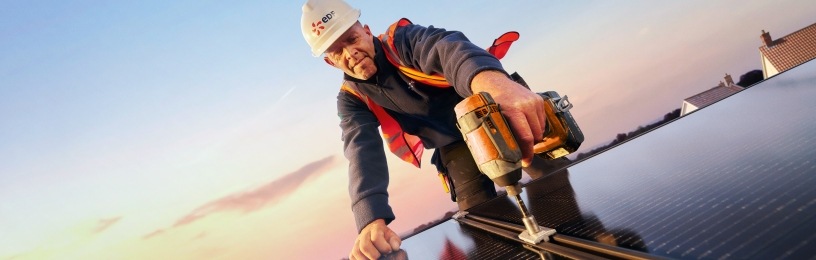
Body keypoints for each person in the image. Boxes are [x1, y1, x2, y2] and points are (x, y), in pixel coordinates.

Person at [300, 0, 549, 259]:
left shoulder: (402, 42)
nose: (350, 53)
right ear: (330, 62)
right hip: (451, 143)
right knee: (483, 220)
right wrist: (370, 219)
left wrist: (495, 83)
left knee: (551, 179)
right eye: (337, 51)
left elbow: (447, 48)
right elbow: (361, 152)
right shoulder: (352, 98)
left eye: (352, 39)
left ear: (366, 30)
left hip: (490, 114)